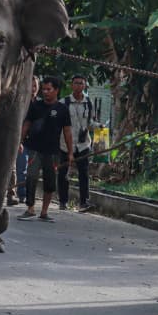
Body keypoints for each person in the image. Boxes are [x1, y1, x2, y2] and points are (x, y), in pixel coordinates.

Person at [20, 76, 73, 222]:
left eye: (49, 89)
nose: (45, 92)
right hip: (34, 148)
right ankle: (30, 208)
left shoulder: (62, 109)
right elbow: (27, 124)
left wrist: (70, 152)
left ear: (56, 90)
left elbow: (67, 132)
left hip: (52, 151)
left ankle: (44, 212)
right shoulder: (35, 106)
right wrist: (20, 141)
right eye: (43, 89)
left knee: (50, 181)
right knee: (31, 177)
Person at [58, 73, 95, 212]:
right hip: (65, 144)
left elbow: (90, 122)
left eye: (81, 83)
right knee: (63, 173)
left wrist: (99, 126)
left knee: (84, 173)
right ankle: (63, 201)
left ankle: (84, 202)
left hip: (83, 144)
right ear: (71, 85)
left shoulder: (89, 103)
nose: (79, 85)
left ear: (85, 85)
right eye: (76, 83)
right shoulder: (64, 103)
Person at [9, 76, 40, 206]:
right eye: (30, 86)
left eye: (35, 86)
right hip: (21, 140)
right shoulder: (20, 102)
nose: (32, 89)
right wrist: (19, 141)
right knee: (20, 169)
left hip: (36, 142)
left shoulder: (40, 104)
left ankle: (28, 194)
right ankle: (21, 194)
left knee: (32, 171)